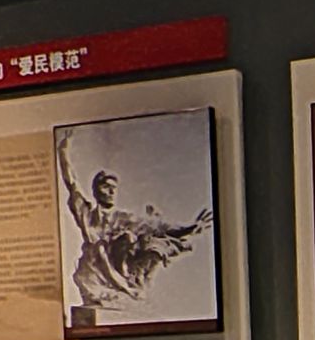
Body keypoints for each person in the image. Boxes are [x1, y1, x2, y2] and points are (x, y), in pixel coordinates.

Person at [55, 130, 212, 311]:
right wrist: (63, 151)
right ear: (96, 190)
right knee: (99, 248)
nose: (111, 191)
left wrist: (189, 228)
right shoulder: (86, 213)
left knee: (147, 241)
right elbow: (71, 182)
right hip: (95, 270)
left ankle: (134, 285)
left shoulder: (124, 217)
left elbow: (159, 227)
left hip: (121, 268)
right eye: (106, 186)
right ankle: (122, 289)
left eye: (114, 188)